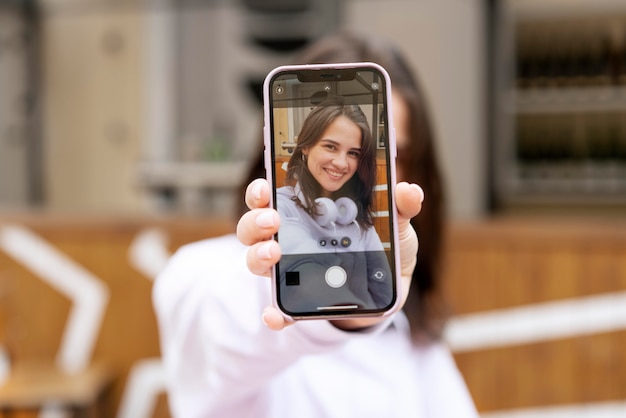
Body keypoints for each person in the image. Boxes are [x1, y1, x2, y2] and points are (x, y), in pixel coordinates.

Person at [153, 31, 478, 417]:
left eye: (387, 153)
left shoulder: (409, 327)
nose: (352, 165)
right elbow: (223, 328)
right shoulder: (205, 274)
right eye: (330, 144)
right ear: (298, 146)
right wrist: (324, 304)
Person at [276, 99, 393, 313]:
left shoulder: (355, 219)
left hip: (363, 337)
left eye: (353, 153)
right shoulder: (281, 208)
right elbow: (310, 278)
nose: (341, 163)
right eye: (331, 147)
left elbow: (384, 296)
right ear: (305, 145)